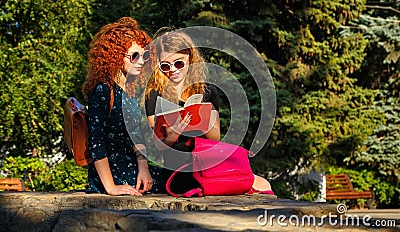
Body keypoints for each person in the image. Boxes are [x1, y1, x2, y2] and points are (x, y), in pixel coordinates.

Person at [145, 29, 274, 195]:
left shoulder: (208, 91)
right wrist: (171, 136)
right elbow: (158, 146)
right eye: (165, 66)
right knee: (250, 185)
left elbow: (215, 138)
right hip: (179, 172)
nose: (172, 70)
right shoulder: (155, 94)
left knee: (263, 184)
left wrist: (204, 122)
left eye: (178, 63)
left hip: (208, 164)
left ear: (190, 58)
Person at [82, 17, 162, 195]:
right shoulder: (103, 90)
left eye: (144, 55)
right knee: (180, 181)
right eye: (134, 56)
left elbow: (135, 133)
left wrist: (143, 166)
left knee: (182, 177)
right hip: (115, 175)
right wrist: (110, 187)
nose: (141, 61)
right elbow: (96, 140)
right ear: (115, 55)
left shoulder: (129, 91)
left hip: (132, 169)